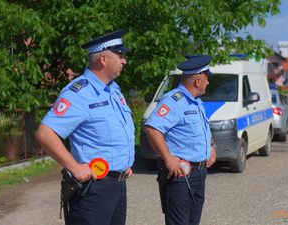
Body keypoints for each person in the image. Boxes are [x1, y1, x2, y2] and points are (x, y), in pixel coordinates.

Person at [36, 29, 135, 225]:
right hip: (93, 190)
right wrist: (74, 167)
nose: (124, 61)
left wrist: (123, 162)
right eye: (120, 55)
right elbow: (45, 133)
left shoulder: (113, 90)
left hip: (117, 186)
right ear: (104, 59)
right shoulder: (78, 93)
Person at [144, 55, 216, 225]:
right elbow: (152, 128)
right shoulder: (173, 101)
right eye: (206, 78)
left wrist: (211, 145)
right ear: (197, 81)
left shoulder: (196, 102)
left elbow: (203, 128)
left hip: (198, 172)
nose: (208, 82)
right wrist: (169, 159)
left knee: (193, 221)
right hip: (181, 174)